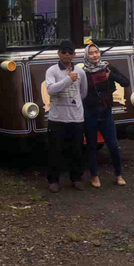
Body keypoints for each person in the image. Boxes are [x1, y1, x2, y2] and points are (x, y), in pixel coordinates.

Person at [82, 43, 131, 188]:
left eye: (96, 52)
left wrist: (111, 76)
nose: (94, 55)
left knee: (113, 145)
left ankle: (118, 175)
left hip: (106, 112)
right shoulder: (83, 73)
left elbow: (126, 82)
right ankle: (94, 176)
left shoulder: (108, 68)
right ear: (86, 56)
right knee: (91, 146)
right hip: (90, 113)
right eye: (91, 53)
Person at [45, 40, 88, 192]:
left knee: (77, 150)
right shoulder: (52, 71)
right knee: (55, 150)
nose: (67, 55)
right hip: (57, 118)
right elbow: (51, 90)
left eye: (70, 52)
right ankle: (53, 181)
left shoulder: (81, 72)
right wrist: (69, 79)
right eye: (64, 52)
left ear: (74, 54)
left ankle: (76, 179)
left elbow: (83, 93)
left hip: (76, 118)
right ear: (59, 53)